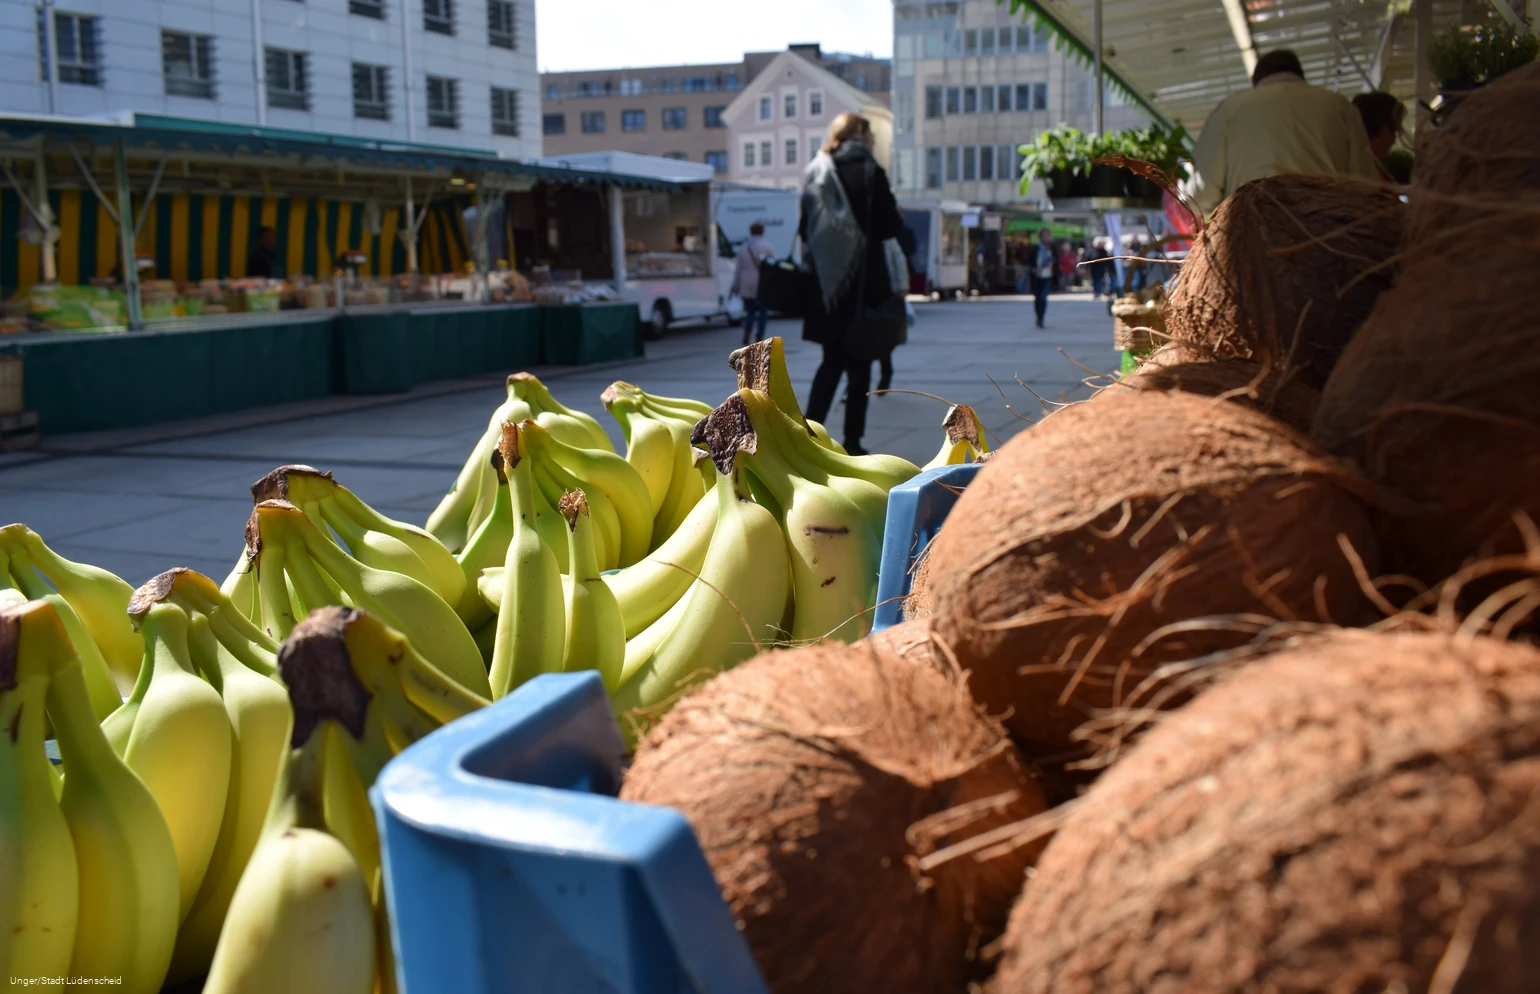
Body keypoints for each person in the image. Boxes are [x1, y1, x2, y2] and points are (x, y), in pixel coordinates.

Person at [799, 112, 905, 456]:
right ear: (860, 132)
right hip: (863, 285)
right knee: (860, 367)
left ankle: (807, 435)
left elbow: (806, 229)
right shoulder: (871, 171)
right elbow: (889, 227)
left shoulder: (817, 170)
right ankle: (853, 442)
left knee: (830, 362)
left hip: (828, 287)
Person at [1190, 49, 1380, 213]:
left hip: (1250, 233)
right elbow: (1365, 185)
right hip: (1326, 234)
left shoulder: (1229, 109)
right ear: (1300, 76)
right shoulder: (1340, 106)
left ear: (1254, 81)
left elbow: (1202, 194)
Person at [731, 221, 777, 346]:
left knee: (750, 311)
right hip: (762, 283)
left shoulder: (744, 248)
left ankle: (747, 334)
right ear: (762, 232)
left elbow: (738, 268)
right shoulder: (768, 247)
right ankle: (760, 336)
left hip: (746, 283)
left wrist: (736, 285)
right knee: (762, 311)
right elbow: (773, 267)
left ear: (750, 231)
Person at [1352, 91, 1409, 183]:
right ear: (1384, 130)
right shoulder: (1373, 182)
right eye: (1395, 131)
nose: (1394, 140)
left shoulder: (1350, 171)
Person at [1027, 228, 1055, 329]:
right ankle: (1038, 316)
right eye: (1044, 235)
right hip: (1036, 275)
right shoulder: (1035, 248)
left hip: (1047, 275)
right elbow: (1028, 260)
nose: (1046, 238)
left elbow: (1057, 259)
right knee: (1037, 297)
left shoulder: (1051, 248)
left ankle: (1041, 317)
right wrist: (1033, 268)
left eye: (1048, 235)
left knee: (1043, 297)